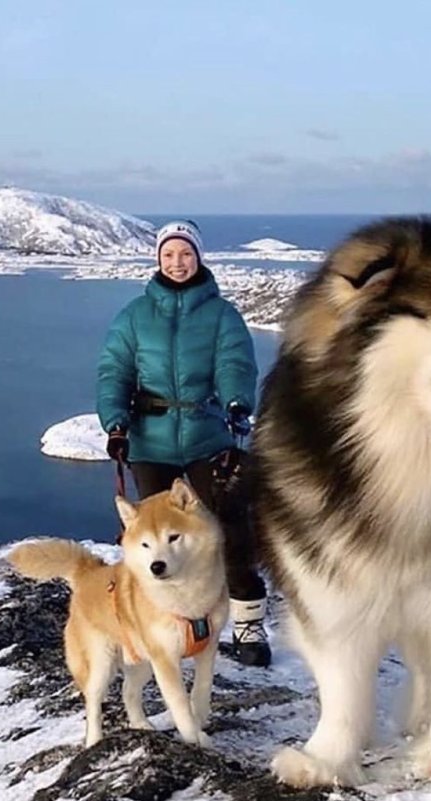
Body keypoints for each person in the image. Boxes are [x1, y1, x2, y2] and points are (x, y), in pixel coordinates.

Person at [96, 219, 271, 667]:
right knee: (156, 542)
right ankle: (171, 627)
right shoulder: (134, 316)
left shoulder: (221, 315)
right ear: (158, 259)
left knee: (228, 529)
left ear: (199, 257)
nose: (177, 262)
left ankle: (249, 629)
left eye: (186, 254)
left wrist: (236, 402)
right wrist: (115, 422)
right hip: (150, 441)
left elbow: (236, 363)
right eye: (169, 254)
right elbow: (114, 370)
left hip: (206, 437)